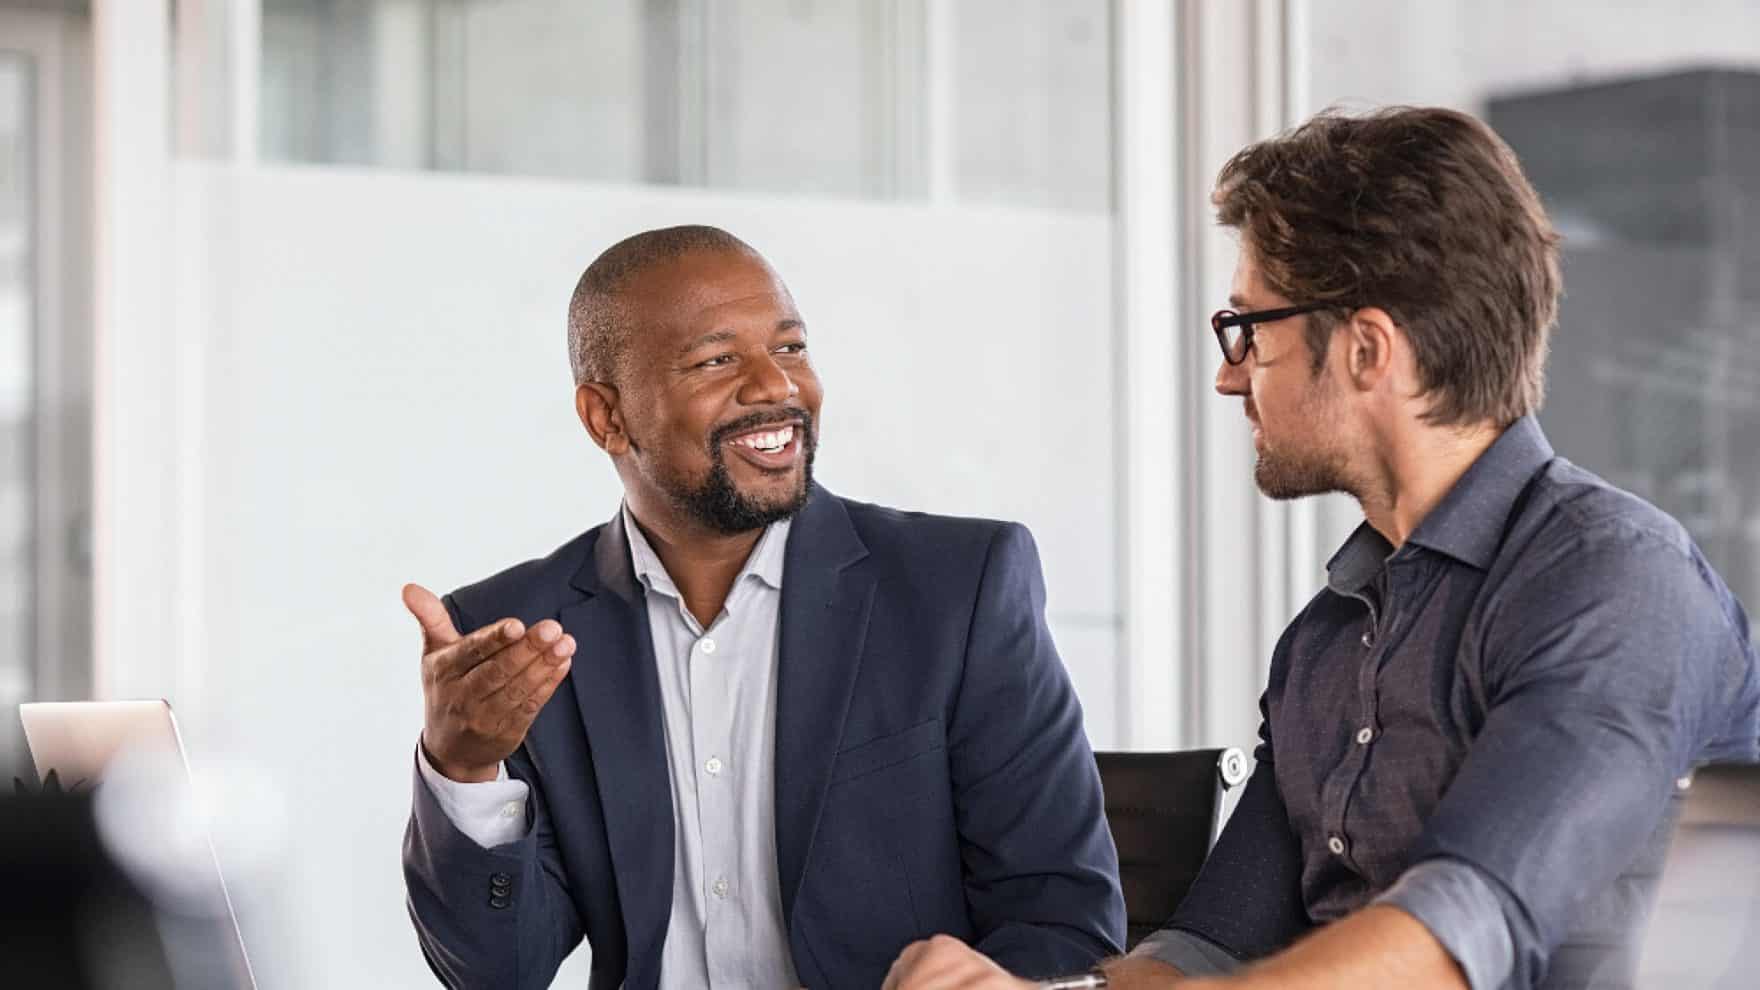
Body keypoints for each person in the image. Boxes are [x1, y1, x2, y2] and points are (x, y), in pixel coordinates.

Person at [882, 106, 1760, 990]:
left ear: (1368, 349)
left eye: (1251, 328)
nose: (1231, 373)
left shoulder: (1612, 580)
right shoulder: (1326, 641)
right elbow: (1205, 949)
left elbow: (1455, 939)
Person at [400, 225, 1124, 989]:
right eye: (717, 361)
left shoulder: (957, 591)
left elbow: (1064, 924)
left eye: (790, 349)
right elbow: (496, 973)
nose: (776, 387)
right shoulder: (522, 632)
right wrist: (464, 766)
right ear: (606, 417)